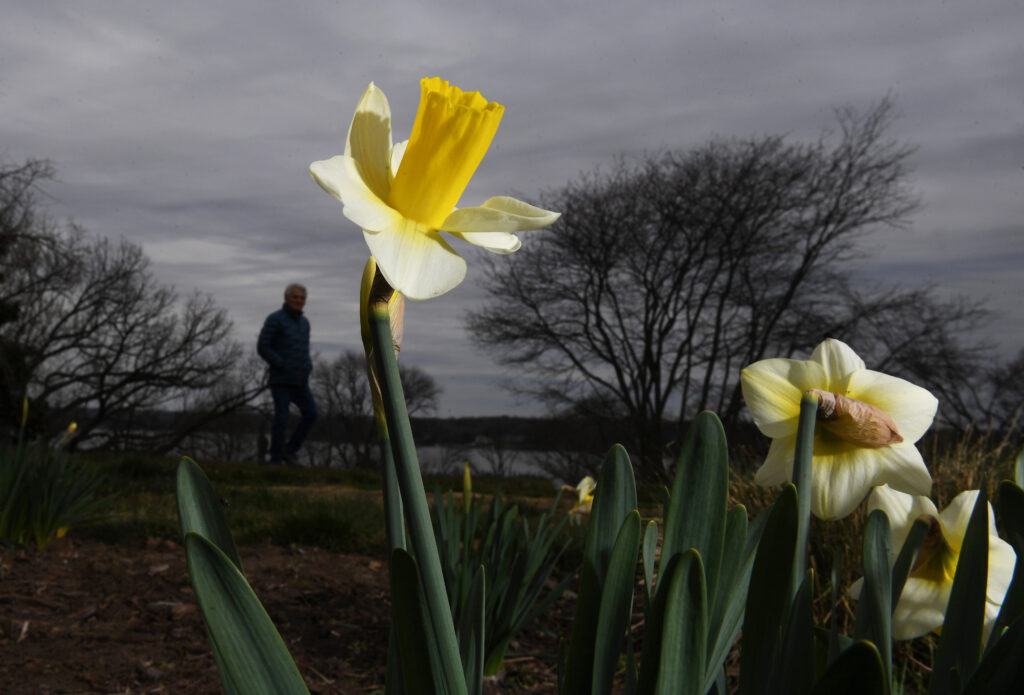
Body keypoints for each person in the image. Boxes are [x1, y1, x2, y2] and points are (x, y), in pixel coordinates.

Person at [257, 283, 318, 465]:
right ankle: (275, 460)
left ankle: (288, 451)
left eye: (302, 298)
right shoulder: (275, 319)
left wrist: (307, 365)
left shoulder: (304, 323)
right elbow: (263, 346)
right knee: (282, 418)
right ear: (287, 298)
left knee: (311, 413)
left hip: (300, 380)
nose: (299, 301)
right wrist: (281, 364)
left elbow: (304, 349)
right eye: (295, 297)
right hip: (281, 379)